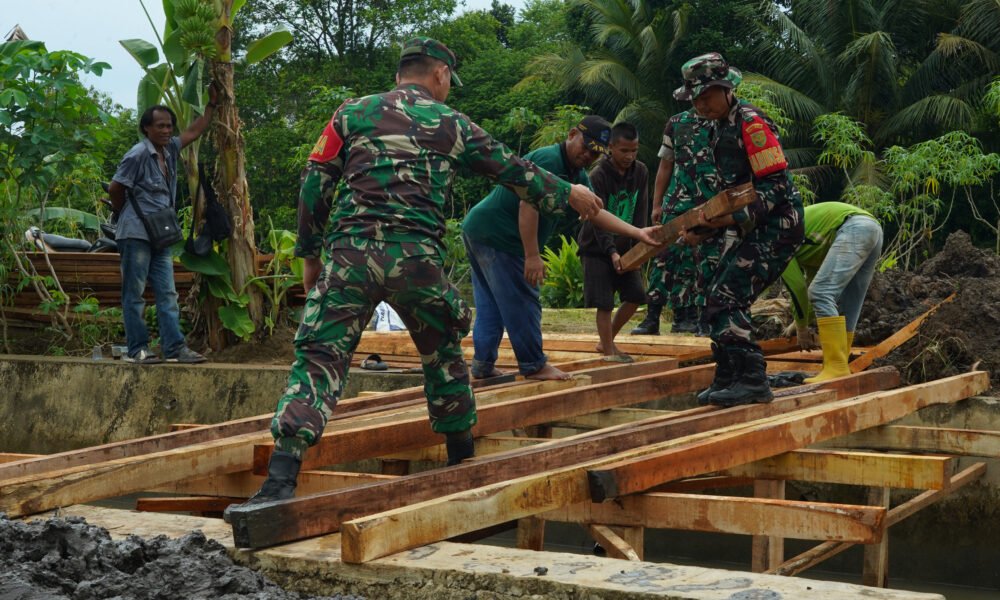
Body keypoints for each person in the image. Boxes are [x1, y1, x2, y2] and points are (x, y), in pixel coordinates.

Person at [229, 37, 607, 510]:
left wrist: (309, 255)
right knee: (444, 357)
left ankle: (279, 483)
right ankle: (461, 463)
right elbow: (513, 170)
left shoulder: (351, 113)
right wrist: (569, 193)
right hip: (417, 263)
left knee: (320, 359)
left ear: (399, 74)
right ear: (440, 76)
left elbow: (315, 181)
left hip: (351, 258)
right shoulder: (452, 123)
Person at [462, 116, 659, 381]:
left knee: (492, 305)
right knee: (524, 300)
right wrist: (532, 256)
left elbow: (596, 212)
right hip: (500, 236)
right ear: (571, 134)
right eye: (585, 147)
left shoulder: (576, 175)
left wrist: (637, 232)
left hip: (479, 230)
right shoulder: (550, 160)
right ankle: (533, 365)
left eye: (595, 153)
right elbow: (528, 205)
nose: (588, 155)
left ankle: (483, 366)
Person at [673, 52, 805, 407]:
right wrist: (704, 227)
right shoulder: (719, 127)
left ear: (726, 88)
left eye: (706, 96)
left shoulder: (751, 123)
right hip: (752, 225)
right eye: (695, 99)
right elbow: (730, 196)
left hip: (778, 224)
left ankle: (751, 380)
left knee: (728, 295)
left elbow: (775, 190)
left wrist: (724, 221)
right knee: (714, 295)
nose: (700, 105)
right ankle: (729, 375)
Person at [108, 89, 218, 365]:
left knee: (168, 292)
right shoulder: (137, 155)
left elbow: (193, 131)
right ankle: (138, 350)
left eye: (169, 125)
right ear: (146, 128)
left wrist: (211, 105)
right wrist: (123, 213)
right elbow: (115, 187)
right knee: (134, 293)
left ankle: (175, 349)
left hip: (161, 234)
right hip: (135, 233)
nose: (167, 130)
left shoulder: (168, 150)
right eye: (160, 125)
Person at [634, 108, 730, 337]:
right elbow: (666, 165)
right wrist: (657, 204)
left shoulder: (725, 121)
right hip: (677, 201)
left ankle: (703, 320)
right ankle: (652, 318)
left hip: (711, 204)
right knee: (664, 259)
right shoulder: (676, 122)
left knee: (707, 260)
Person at [781, 201, 883, 381]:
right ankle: (840, 364)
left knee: (821, 293)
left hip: (852, 228)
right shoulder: (808, 249)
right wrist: (799, 322)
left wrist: (802, 327)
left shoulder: (776, 243)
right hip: (871, 228)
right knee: (850, 301)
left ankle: (835, 366)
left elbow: (797, 287)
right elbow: (811, 284)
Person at [577, 122, 649, 361]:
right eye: (624, 151)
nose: (629, 156)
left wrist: (637, 251)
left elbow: (640, 212)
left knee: (636, 295)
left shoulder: (641, 172)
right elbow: (597, 218)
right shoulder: (598, 175)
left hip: (624, 246)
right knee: (604, 302)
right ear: (610, 148)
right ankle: (608, 351)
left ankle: (605, 342)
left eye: (634, 151)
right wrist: (611, 252)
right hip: (596, 247)